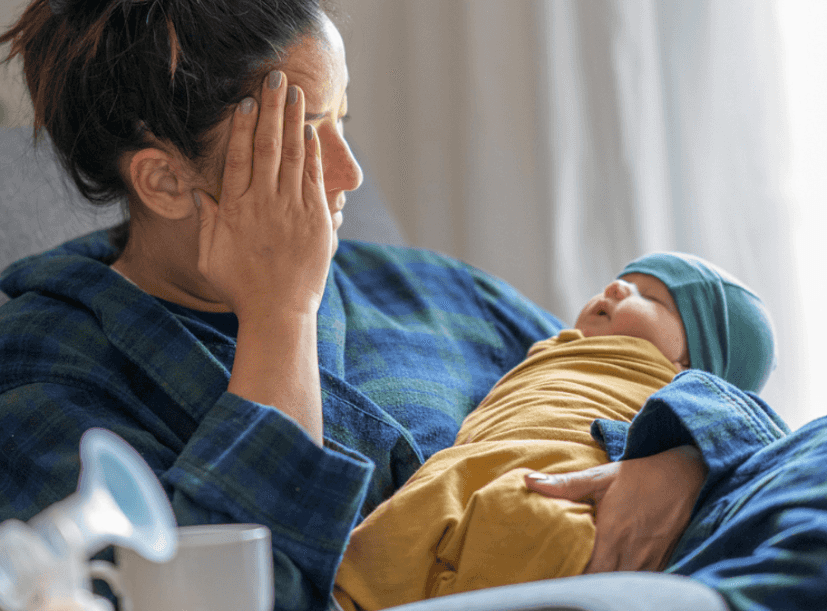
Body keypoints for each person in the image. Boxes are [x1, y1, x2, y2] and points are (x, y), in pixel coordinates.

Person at [0, 0, 827, 610]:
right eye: (302, 136)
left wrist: (680, 452)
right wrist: (278, 319)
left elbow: (607, 379)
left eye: (347, 118)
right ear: (166, 180)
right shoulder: (40, 370)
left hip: (679, 569)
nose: (348, 168)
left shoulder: (431, 290)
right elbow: (225, 590)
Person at [333, 252, 776, 610]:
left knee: (537, 525)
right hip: (463, 470)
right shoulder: (548, 348)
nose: (617, 286)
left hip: (560, 476)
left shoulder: (685, 387)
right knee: (380, 550)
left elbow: (747, 433)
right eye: (624, 279)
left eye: (653, 298)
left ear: (691, 361)